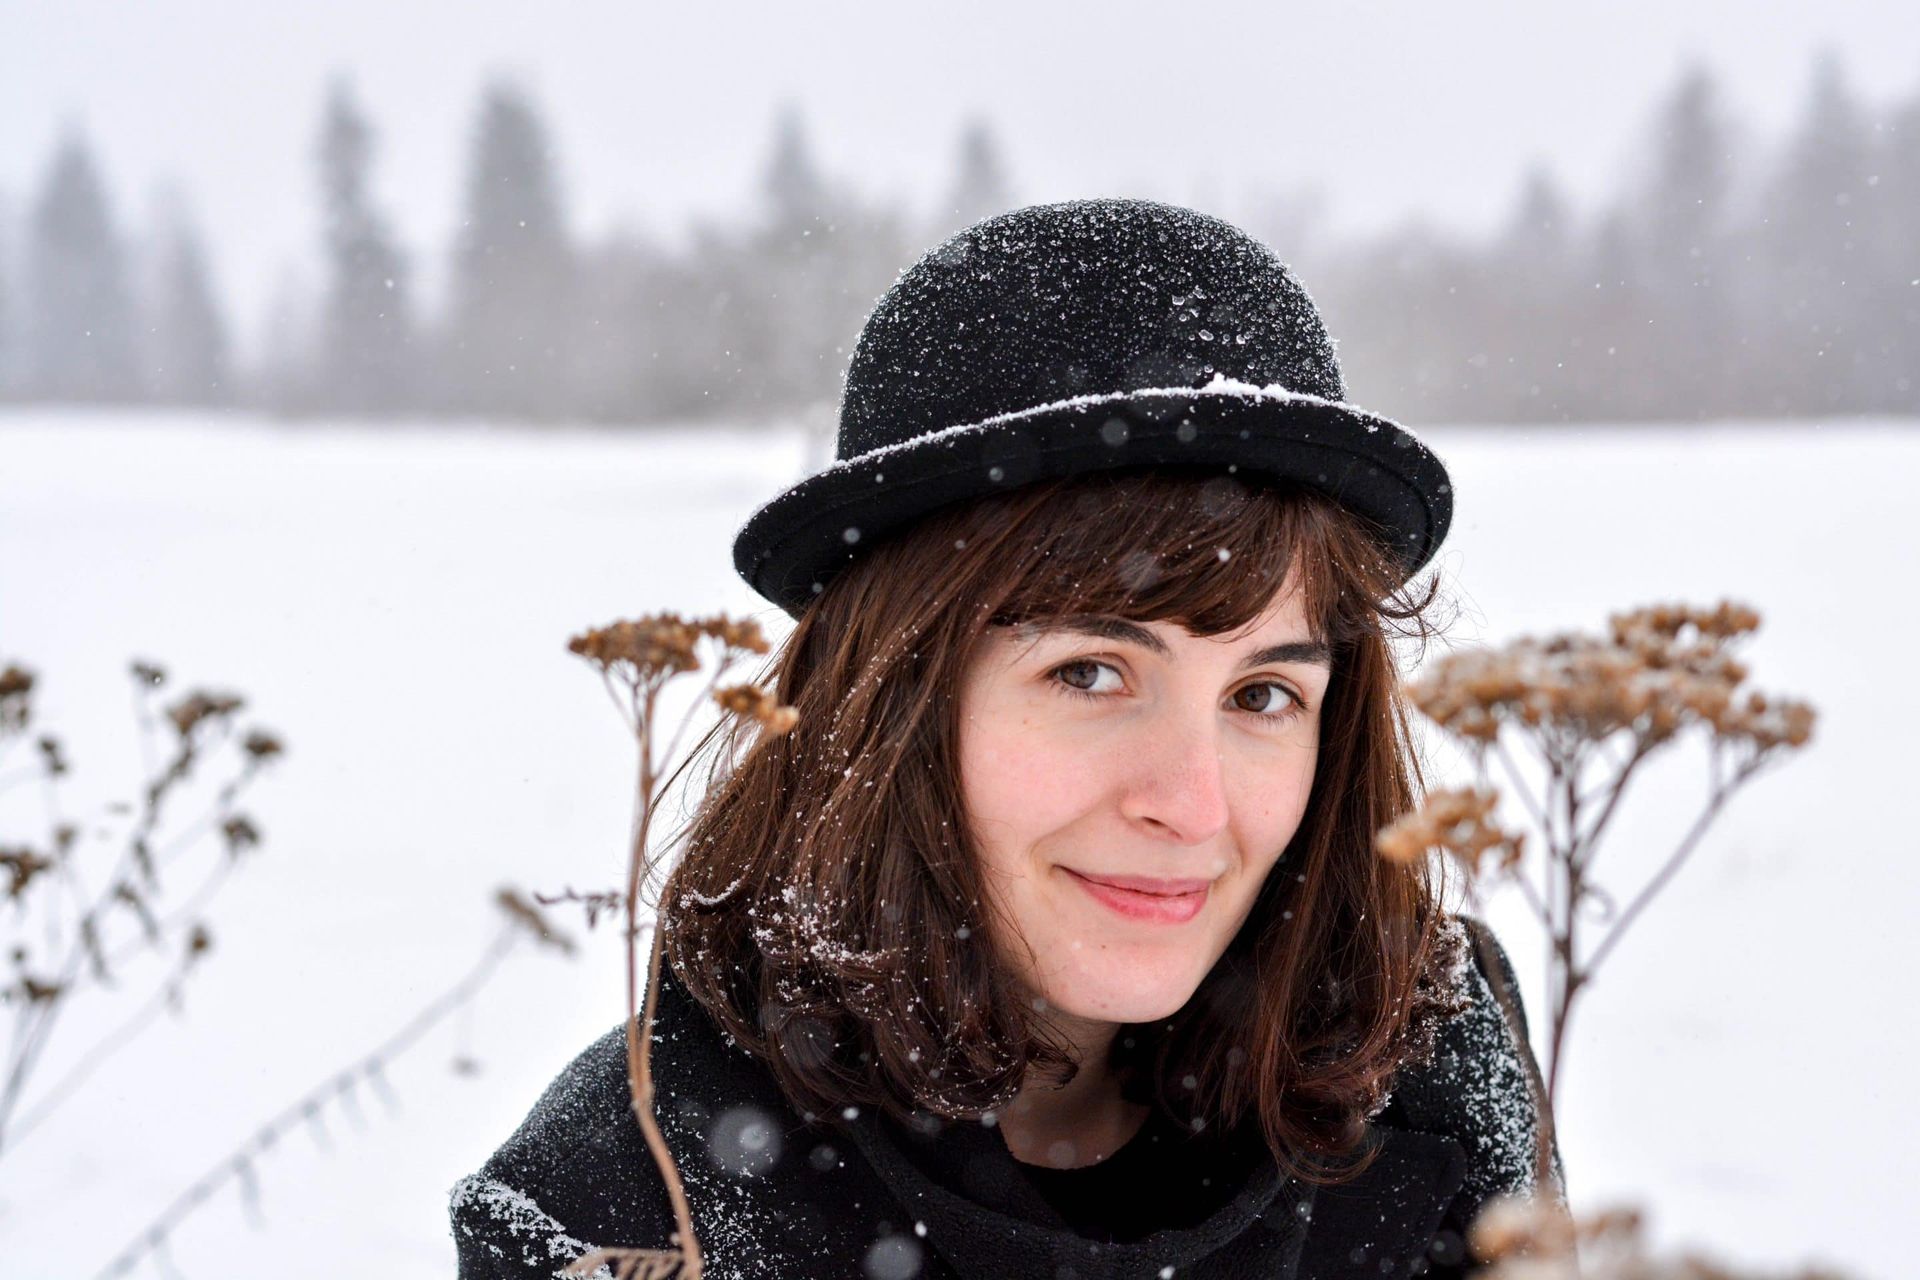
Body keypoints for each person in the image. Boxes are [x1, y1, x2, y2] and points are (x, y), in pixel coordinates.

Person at [449, 197, 1562, 1280]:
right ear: (888, 702)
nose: (1195, 804)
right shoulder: (629, 1197)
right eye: (1090, 672)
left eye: (1263, 695)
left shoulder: (1429, 1074)